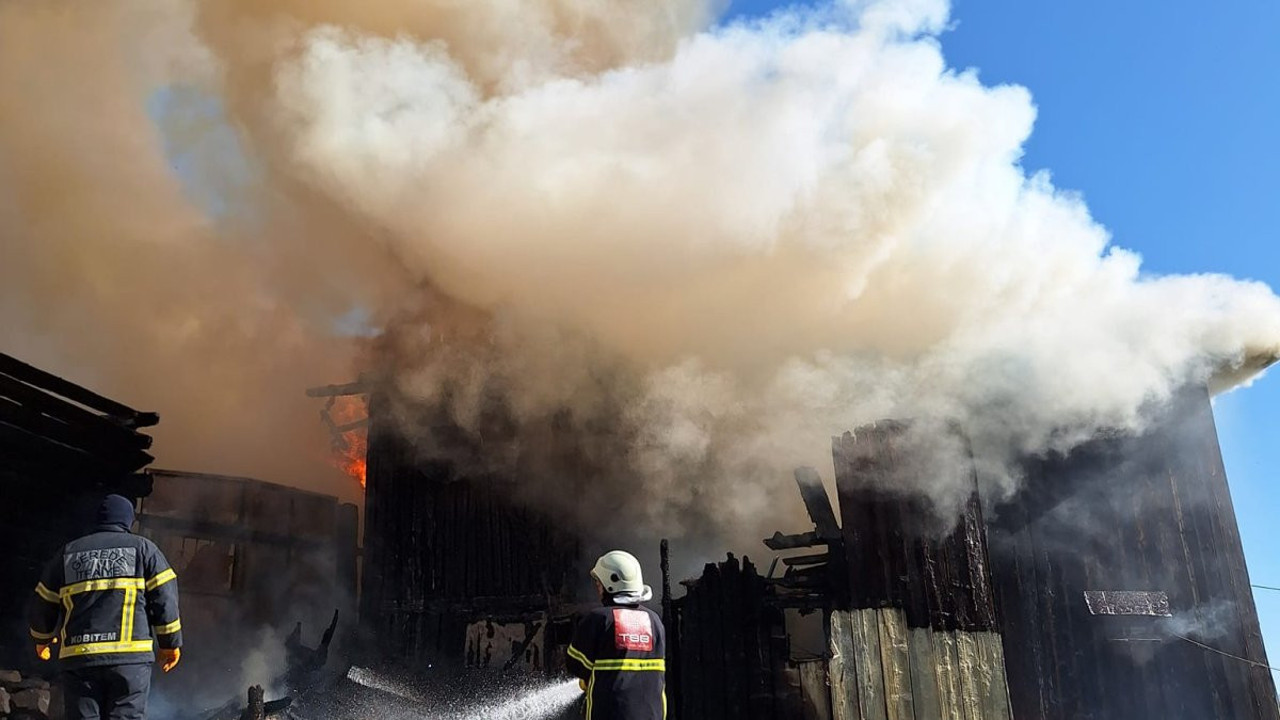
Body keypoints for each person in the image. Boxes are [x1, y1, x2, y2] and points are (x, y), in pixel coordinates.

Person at [28, 494, 183, 720]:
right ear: (128, 520)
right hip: (129, 661)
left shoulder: (68, 553)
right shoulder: (144, 550)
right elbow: (165, 597)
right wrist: (170, 644)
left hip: (81, 658)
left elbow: (44, 599)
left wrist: (42, 638)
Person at [565, 550, 666, 720]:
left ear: (610, 584)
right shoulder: (654, 621)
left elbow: (575, 665)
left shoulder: (600, 619)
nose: (598, 588)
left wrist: (587, 678)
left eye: (599, 583)